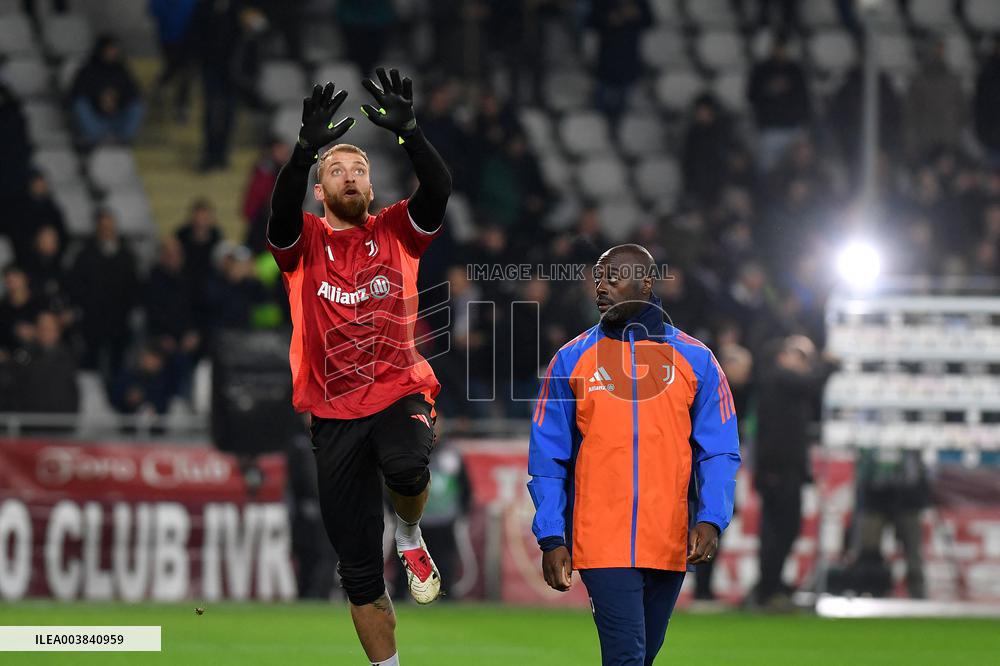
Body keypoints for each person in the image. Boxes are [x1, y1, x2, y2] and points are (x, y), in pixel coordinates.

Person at [266, 69, 451, 666]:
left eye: (359, 169)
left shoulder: (398, 231)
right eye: (336, 170)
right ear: (320, 191)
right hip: (331, 413)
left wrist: (411, 133)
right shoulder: (304, 243)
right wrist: (303, 152)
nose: (349, 176)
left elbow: (439, 188)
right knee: (360, 575)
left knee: (407, 468)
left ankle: (410, 533)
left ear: (372, 185)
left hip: (399, 390)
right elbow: (279, 213)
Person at [529, 244, 741, 666]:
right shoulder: (570, 359)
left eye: (613, 278)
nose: (600, 288)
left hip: (669, 538)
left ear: (645, 283)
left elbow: (719, 450)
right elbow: (548, 458)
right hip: (600, 539)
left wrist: (712, 517)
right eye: (598, 279)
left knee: (642, 658)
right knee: (626, 657)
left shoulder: (697, 360)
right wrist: (552, 536)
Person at [751, 335, 836, 608]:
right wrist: (828, 365)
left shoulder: (785, 385)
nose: (804, 364)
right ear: (783, 356)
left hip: (785, 468)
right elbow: (811, 383)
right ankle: (769, 588)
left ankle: (771, 584)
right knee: (780, 529)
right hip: (778, 468)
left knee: (783, 529)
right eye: (800, 356)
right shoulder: (779, 378)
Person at [70, 34, 144, 146]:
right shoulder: (87, 71)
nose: (113, 52)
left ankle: (125, 137)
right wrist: (100, 98)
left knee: (136, 106)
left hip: (117, 118)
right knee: (80, 105)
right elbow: (75, 95)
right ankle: (92, 137)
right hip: (95, 119)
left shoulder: (122, 71)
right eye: (110, 49)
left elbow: (134, 93)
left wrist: (116, 100)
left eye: (115, 49)